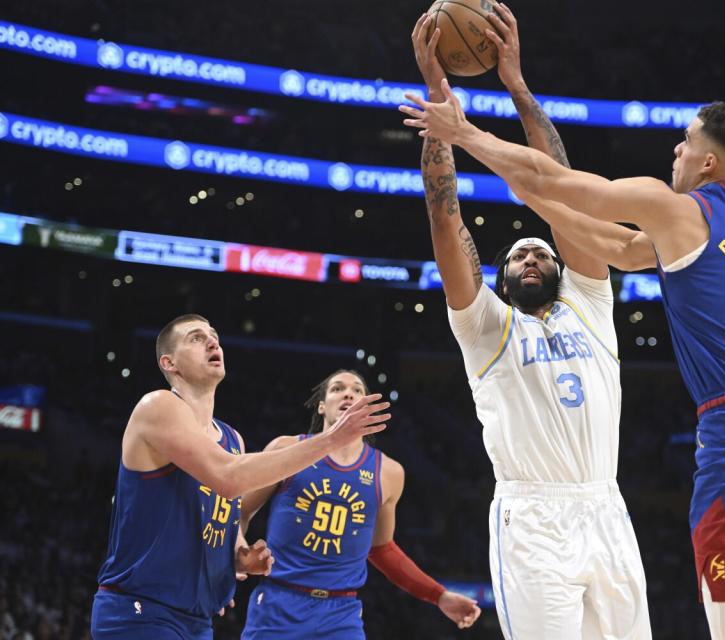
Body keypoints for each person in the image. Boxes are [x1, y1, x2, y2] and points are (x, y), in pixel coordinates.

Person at [401, 69, 725, 639]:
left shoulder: (682, 209)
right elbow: (620, 247)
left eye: (686, 140)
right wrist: (535, 191)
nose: (677, 149)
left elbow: (562, 183)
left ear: (709, 163)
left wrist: (464, 134)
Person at [410, 7, 653, 639]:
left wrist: (516, 86)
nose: (533, 255)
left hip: (607, 505)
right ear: (502, 277)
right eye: (518, 254)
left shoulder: (590, 303)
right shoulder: (486, 327)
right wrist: (443, 105)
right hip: (533, 516)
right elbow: (446, 221)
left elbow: (567, 192)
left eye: (541, 249)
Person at [91, 314, 390, 639]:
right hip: (140, 612)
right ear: (169, 363)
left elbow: (225, 520)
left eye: (214, 335)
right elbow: (228, 477)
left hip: (197, 619)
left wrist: (239, 556)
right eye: (195, 337)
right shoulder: (157, 406)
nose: (212, 341)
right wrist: (331, 439)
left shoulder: (232, 440)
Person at [239, 369, 481, 638]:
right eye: (337, 388)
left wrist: (438, 595)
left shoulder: (388, 472)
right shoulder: (285, 448)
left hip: (341, 615)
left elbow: (381, 550)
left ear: (369, 408)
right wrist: (233, 562)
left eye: (357, 390)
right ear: (321, 406)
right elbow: (240, 513)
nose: (348, 393)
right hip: (278, 604)